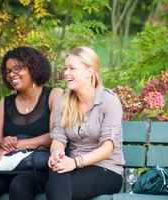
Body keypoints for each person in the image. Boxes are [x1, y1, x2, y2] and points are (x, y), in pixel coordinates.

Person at [0, 46, 63, 200]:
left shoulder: (53, 95)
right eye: (8, 71)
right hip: (6, 167)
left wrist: (15, 144)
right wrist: (3, 143)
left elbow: (55, 136)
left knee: (19, 187)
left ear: (33, 67)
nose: (11, 74)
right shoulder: (5, 104)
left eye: (17, 68)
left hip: (38, 167)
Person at [45, 46, 125, 200]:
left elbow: (107, 149)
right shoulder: (64, 101)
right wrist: (56, 153)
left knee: (55, 190)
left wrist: (75, 162)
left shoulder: (109, 101)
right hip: (73, 166)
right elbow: (58, 139)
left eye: (72, 68)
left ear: (89, 72)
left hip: (106, 169)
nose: (66, 73)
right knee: (56, 172)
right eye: (65, 68)